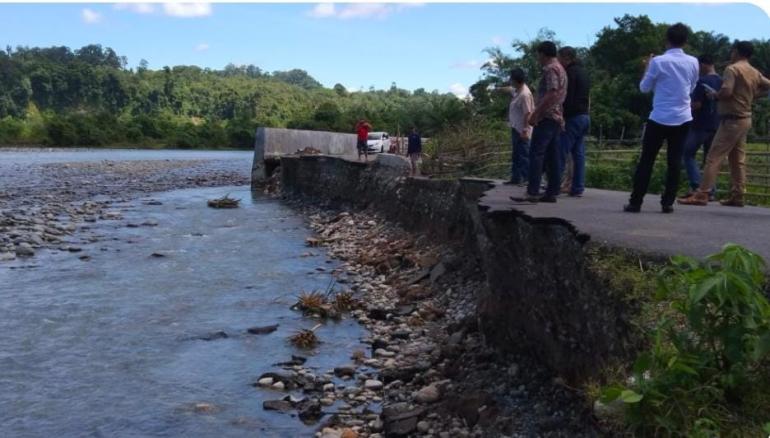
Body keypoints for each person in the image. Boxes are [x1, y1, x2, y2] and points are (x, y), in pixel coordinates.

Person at [679, 41, 770, 207]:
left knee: (713, 157)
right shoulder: (754, 71)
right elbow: (768, 85)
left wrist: (715, 95)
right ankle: (738, 195)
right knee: (737, 160)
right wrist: (752, 95)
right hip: (745, 119)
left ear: (736, 52)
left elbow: (727, 91)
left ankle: (702, 193)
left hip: (731, 120)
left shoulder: (732, 69)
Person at [623, 23, 699, 214]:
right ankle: (667, 203)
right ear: (685, 41)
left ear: (667, 40)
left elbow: (644, 88)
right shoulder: (693, 62)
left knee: (647, 160)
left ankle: (636, 202)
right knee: (674, 162)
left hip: (659, 117)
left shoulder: (658, 62)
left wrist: (647, 67)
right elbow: (691, 87)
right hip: (683, 117)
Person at [525, 41, 567, 203]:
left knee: (536, 153)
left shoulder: (550, 69)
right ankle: (552, 191)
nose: (538, 58)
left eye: (538, 55)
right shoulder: (561, 69)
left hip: (548, 116)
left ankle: (533, 191)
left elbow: (551, 93)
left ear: (543, 54)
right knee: (552, 155)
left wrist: (536, 113)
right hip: (557, 116)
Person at [679, 54, 722, 200]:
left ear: (704, 64)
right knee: (710, 158)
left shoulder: (702, 82)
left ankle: (698, 186)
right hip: (717, 124)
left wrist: (684, 105)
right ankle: (710, 191)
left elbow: (697, 104)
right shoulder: (722, 81)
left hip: (700, 124)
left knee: (687, 153)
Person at [557, 46, 591, 197]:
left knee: (560, 151)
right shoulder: (584, 72)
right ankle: (577, 187)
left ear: (566, 58)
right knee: (578, 154)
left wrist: (562, 116)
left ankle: (554, 185)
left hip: (573, 117)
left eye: (559, 58)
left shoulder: (569, 74)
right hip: (584, 116)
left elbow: (567, 98)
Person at [499, 68, 534, 185]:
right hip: (516, 127)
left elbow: (528, 113)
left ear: (516, 80)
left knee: (524, 154)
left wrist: (525, 129)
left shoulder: (524, 94)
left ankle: (527, 179)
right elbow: (510, 90)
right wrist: (498, 89)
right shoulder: (518, 91)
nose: (510, 81)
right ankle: (516, 178)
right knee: (516, 154)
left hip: (522, 129)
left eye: (511, 79)